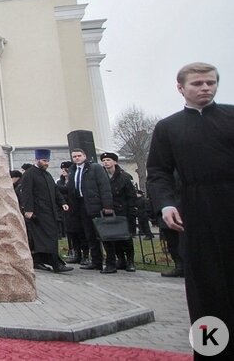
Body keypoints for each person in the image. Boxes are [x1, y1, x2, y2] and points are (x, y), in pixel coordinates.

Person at [147, 62, 233, 351]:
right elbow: (158, 172)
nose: (205, 88)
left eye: (210, 82)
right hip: (194, 214)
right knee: (205, 292)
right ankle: (211, 350)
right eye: (197, 84)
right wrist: (166, 204)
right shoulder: (168, 127)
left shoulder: (232, 116)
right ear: (181, 88)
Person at [18, 149, 72, 273]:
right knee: (49, 238)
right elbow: (26, 193)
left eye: (47, 161)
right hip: (38, 213)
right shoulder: (30, 174)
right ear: (36, 160)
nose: (46, 163)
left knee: (47, 238)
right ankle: (56, 265)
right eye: (44, 160)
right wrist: (28, 210)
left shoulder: (47, 175)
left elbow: (55, 190)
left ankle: (38, 260)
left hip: (50, 211)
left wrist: (63, 202)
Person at [67, 148, 114, 272]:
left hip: (96, 205)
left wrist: (107, 206)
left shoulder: (95, 168)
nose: (76, 158)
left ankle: (111, 263)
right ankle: (96, 261)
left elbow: (104, 187)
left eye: (79, 155)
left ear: (84, 156)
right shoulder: (72, 170)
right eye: (74, 156)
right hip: (81, 205)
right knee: (90, 235)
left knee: (103, 235)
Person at [99, 152, 137, 273]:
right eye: (104, 160)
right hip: (109, 211)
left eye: (108, 160)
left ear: (115, 162)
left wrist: (132, 211)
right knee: (113, 237)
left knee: (126, 238)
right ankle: (121, 259)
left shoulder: (125, 177)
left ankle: (130, 261)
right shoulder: (101, 176)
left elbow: (131, 196)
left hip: (123, 212)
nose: (106, 162)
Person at [56, 161, 88, 265]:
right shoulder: (60, 181)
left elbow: (70, 190)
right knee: (71, 233)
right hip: (66, 211)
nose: (64, 172)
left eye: (66, 169)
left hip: (77, 209)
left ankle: (86, 255)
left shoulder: (74, 179)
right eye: (63, 170)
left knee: (81, 233)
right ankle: (76, 253)